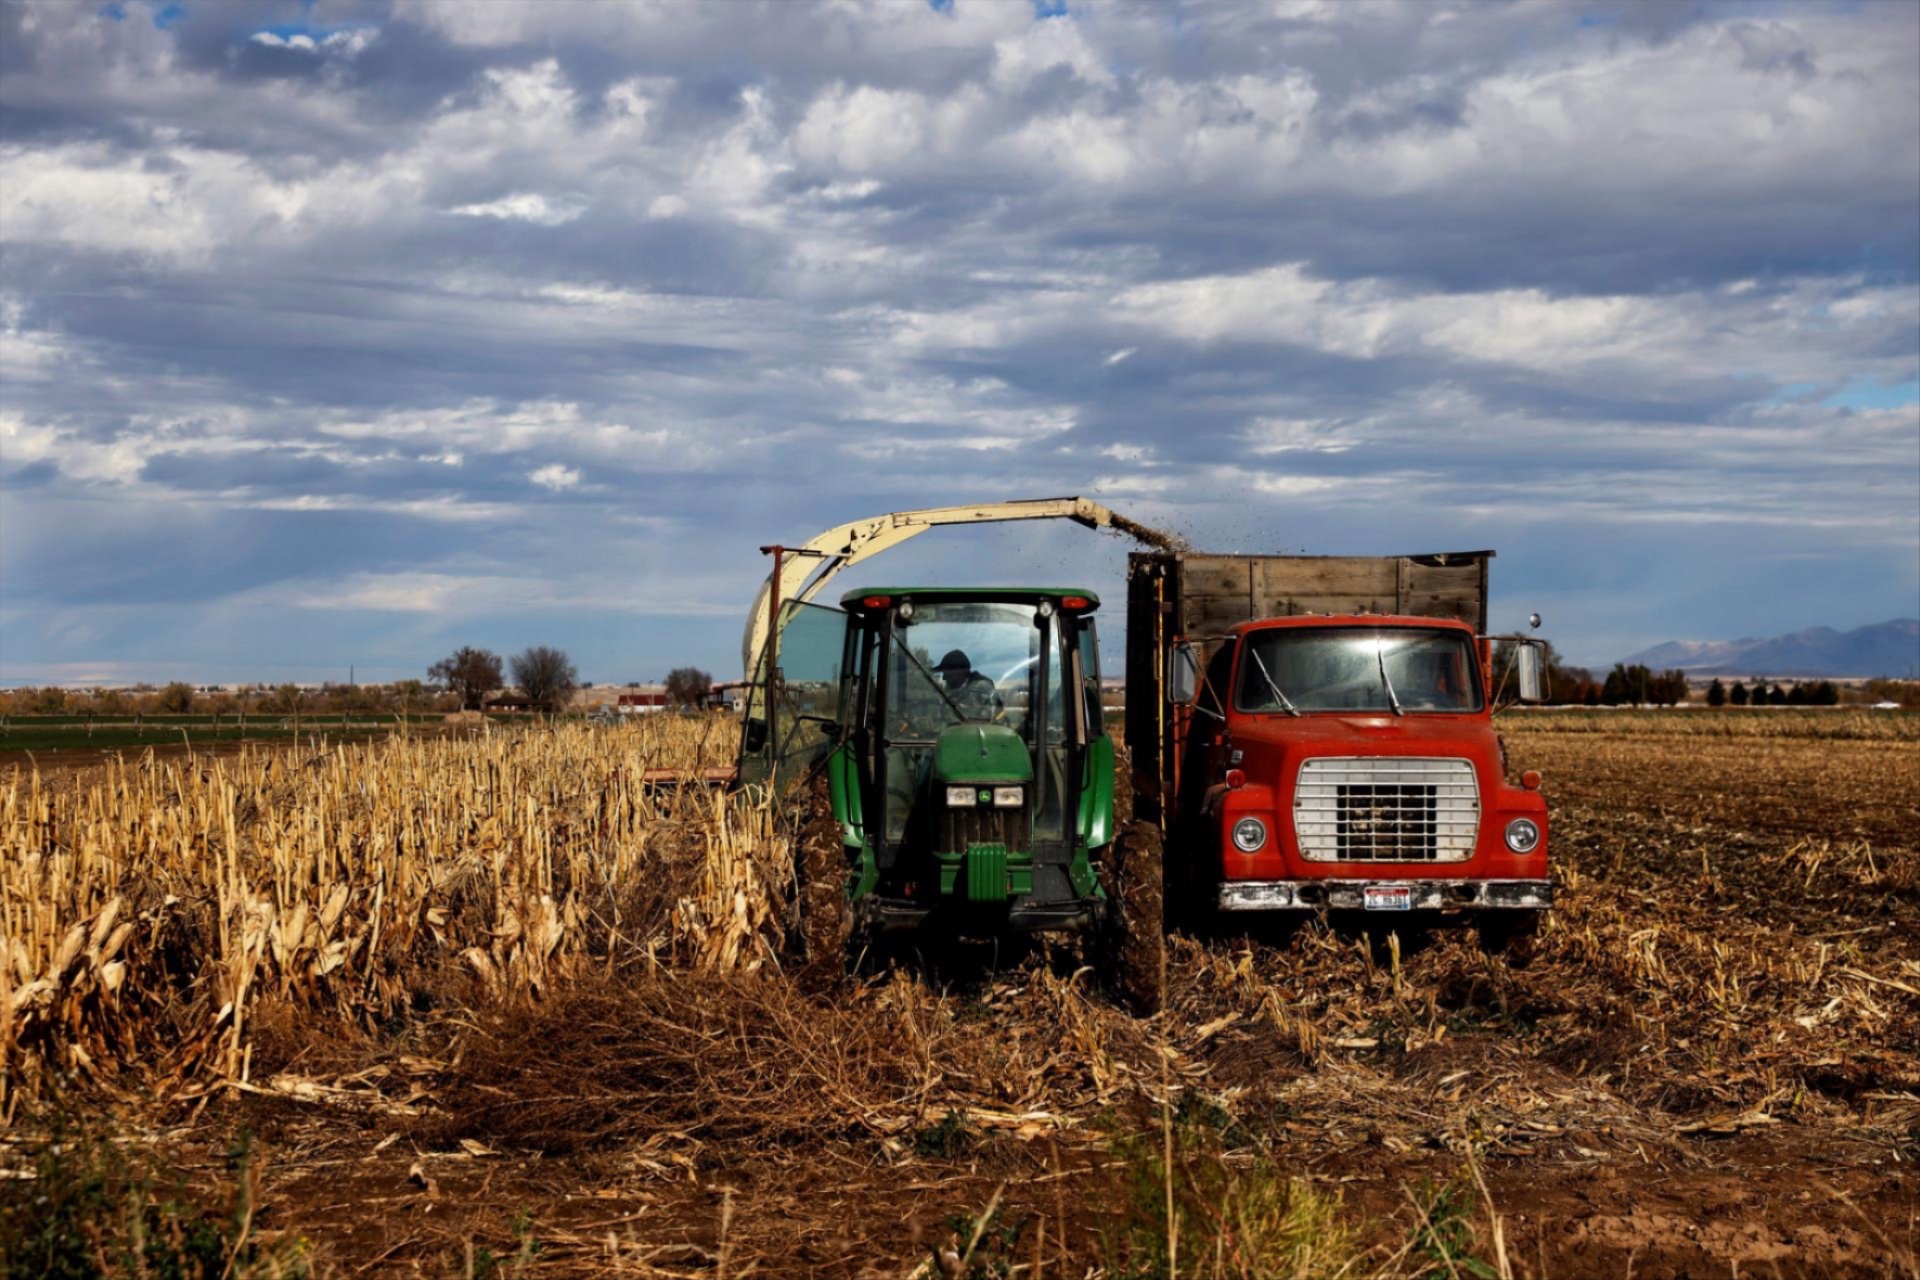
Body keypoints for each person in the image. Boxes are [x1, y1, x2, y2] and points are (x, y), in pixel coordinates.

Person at [932, 649, 1002, 720]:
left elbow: (992, 715)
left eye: (946, 673)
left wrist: (961, 709)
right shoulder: (948, 688)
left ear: (959, 672)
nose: (944, 677)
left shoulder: (982, 688)